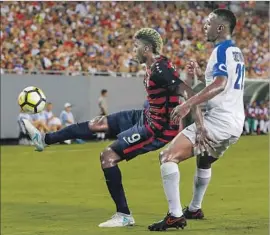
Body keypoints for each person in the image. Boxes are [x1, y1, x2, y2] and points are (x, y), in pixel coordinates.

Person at [21, 28, 205, 228]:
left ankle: (124, 215)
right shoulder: (154, 66)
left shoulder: (161, 70)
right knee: (97, 123)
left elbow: (189, 94)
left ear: (147, 48)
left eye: (136, 46)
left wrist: (199, 125)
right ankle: (44, 140)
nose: (133, 50)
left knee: (107, 157)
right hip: (146, 116)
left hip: (157, 128)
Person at [148, 9, 245, 231]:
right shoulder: (235, 51)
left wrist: (187, 104)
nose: (204, 25)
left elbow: (220, 85)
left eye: (209, 22)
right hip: (234, 123)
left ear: (220, 28)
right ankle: (194, 208)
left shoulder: (221, 50)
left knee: (167, 156)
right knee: (204, 160)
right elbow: (225, 85)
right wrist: (202, 75)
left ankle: (174, 216)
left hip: (218, 121)